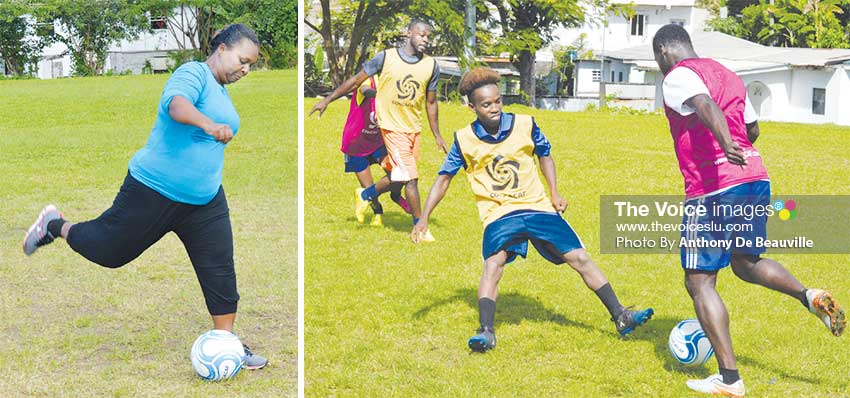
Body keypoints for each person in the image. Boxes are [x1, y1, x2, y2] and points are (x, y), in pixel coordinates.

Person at [22, 24, 269, 369]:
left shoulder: (221, 91)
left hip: (205, 199)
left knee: (220, 269)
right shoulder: (192, 73)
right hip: (154, 189)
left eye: (250, 65)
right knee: (110, 251)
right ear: (223, 48)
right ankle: (55, 225)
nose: (245, 69)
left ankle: (227, 342)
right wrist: (208, 125)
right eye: (243, 61)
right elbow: (176, 106)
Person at [653, 24, 845, 396]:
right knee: (745, 262)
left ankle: (729, 380)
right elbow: (752, 128)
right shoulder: (728, 74)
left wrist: (724, 144)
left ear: (663, 52)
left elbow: (704, 105)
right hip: (755, 178)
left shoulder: (677, 76)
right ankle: (809, 295)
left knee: (699, 280)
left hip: (714, 188)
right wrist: (735, 142)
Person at [411, 67, 654, 352]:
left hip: (538, 208)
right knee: (493, 266)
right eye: (486, 104)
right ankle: (486, 332)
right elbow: (443, 180)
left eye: (497, 101)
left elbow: (545, 155)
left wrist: (554, 193)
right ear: (471, 106)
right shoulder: (463, 139)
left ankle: (621, 316)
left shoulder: (525, 124)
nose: (494, 108)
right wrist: (423, 218)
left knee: (581, 258)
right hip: (500, 215)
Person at [311, 19, 448, 238]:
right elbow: (356, 81)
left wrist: (437, 134)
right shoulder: (386, 58)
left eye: (428, 37)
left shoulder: (431, 66)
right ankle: (420, 228)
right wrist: (327, 99)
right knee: (410, 179)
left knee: (400, 177)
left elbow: (431, 103)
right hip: (392, 129)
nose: (425, 40)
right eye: (422, 35)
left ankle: (365, 195)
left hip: (413, 129)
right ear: (408, 33)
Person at [340, 76, 411, 226]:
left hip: (378, 142)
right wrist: (382, 95)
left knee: (400, 172)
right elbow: (365, 90)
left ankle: (396, 195)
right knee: (369, 186)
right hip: (356, 144)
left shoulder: (396, 83)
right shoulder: (369, 80)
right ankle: (377, 213)